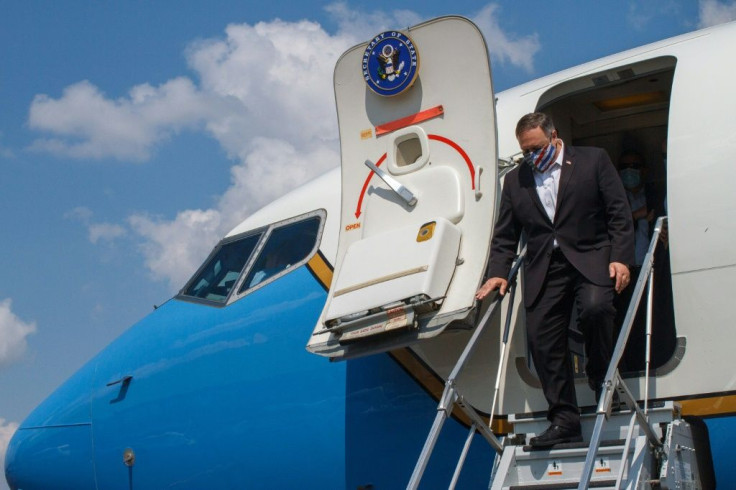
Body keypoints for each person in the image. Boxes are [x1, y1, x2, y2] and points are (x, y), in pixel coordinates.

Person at [476, 113, 634, 447]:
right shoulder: (516, 181)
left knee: (595, 309)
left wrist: (620, 256)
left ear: (554, 136)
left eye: (536, 148)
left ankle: (601, 375)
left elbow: (618, 211)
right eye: (525, 152)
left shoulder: (593, 160)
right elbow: (505, 236)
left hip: (591, 256)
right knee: (542, 338)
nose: (532, 157)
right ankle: (564, 422)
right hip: (546, 267)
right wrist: (496, 274)